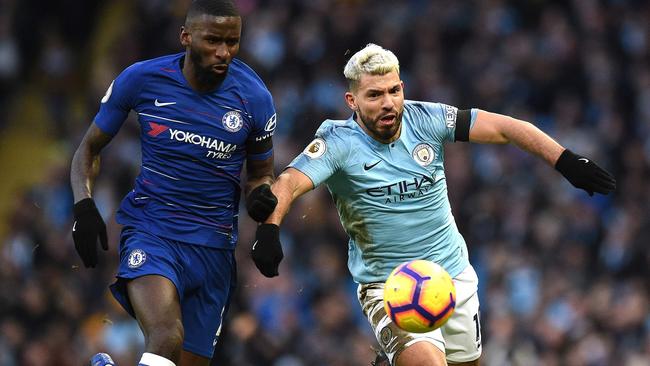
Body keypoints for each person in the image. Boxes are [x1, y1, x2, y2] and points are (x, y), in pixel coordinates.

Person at [250, 44, 616, 366]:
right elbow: (289, 182)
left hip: (452, 276)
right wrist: (269, 230)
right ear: (353, 101)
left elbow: (506, 127)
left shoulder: (428, 118)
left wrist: (565, 161)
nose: (389, 103)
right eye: (375, 95)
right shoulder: (338, 141)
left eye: (394, 91)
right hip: (389, 285)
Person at [70, 1, 279, 365]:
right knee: (166, 336)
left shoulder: (255, 99)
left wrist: (262, 203)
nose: (223, 52)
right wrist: (84, 205)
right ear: (185, 37)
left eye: (232, 42)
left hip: (214, 251)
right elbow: (89, 148)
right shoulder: (141, 79)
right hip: (153, 231)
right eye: (213, 40)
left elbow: (261, 174)